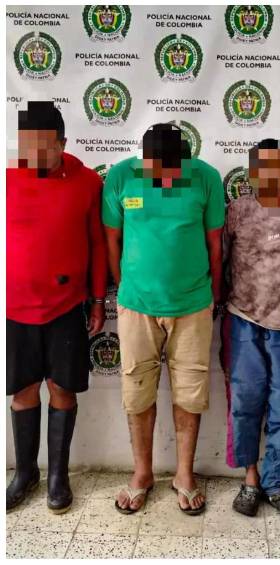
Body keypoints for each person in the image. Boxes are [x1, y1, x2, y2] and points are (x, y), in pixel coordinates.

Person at [103, 123, 224, 515]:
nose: (166, 177)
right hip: (136, 306)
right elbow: (112, 239)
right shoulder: (121, 176)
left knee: (190, 393)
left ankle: (184, 474)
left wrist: (213, 296)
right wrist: (124, 289)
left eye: (173, 169)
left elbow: (215, 244)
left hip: (193, 305)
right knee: (137, 391)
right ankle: (142, 473)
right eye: (158, 169)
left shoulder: (206, 177)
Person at [7, 101, 107, 514]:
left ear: (63, 143)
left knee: (62, 389)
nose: (34, 155)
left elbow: (98, 244)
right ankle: (25, 473)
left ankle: (58, 477)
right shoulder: (7, 178)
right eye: (27, 146)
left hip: (66, 307)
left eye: (44, 146)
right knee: (23, 390)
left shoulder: (87, 182)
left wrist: (98, 300)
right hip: (14, 308)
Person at [221, 139, 280, 523]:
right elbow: (220, 260)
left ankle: (276, 483)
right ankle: (250, 478)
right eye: (264, 168)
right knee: (244, 401)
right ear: (253, 173)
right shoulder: (238, 211)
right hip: (243, 320)